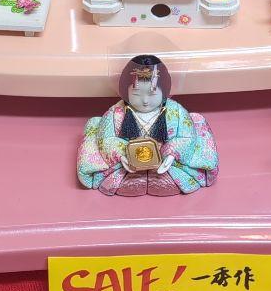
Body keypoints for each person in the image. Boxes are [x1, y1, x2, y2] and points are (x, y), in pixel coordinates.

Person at [78, 55, 218, 197]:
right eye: (137, 94)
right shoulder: (116, 112)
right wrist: (121, 156)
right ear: (126, 91)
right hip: (127, 164)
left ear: (164, 90)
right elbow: (106, 138)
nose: (145, 100)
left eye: (152, 94)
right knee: (97, 146)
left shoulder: (175, 111)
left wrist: (171, 154)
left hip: (166, 163)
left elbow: (187, 136)